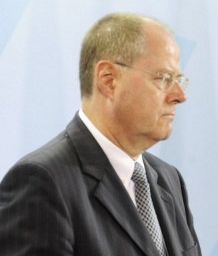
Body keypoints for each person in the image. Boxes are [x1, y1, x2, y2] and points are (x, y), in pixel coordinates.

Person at [0, 13, 201, 256]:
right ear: (108, 80)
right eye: (164, 78)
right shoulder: (41, 181)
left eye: (179, 79)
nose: (179, 95)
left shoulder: (169, 179)